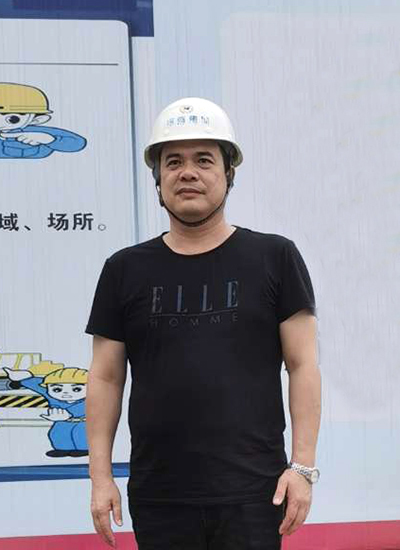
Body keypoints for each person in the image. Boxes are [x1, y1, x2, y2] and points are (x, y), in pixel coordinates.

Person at [85, 97, 321, 550]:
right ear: (158, 178)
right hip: (159, 496)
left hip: (255, 493)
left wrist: (303, 468)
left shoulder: (275, 257)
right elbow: (106, 377)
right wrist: (100, 477)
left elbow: (303, 365)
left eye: (204, 160)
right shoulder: (124, 269)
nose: (187, 172)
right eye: (173, 162)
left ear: (228, 173)